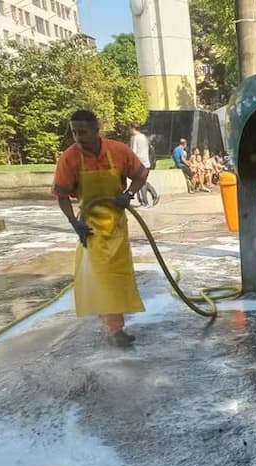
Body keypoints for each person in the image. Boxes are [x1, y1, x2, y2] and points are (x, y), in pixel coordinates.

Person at [52, 109, 148, 348]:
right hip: (90, 226)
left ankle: (113, 327)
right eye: (74, 132)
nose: (78, 137)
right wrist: (75, 224)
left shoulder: (118, 151)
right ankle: (113, 330)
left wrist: (129, 194)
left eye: (82, 132)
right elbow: (62, 196)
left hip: (116, 224)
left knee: (116, 279)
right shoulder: (69, 158)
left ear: (97, 130)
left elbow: (141, 175)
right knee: (102, 278)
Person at [128, 123, 159, 208]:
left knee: (140, 182)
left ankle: (145, 202)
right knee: (141, 181)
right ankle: (154, 195)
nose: (129, 130)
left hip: (139, 163)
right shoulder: (143, 137)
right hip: (145, 162)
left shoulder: (135, 138)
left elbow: (133, 152)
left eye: (129, 128)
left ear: (132, 128)